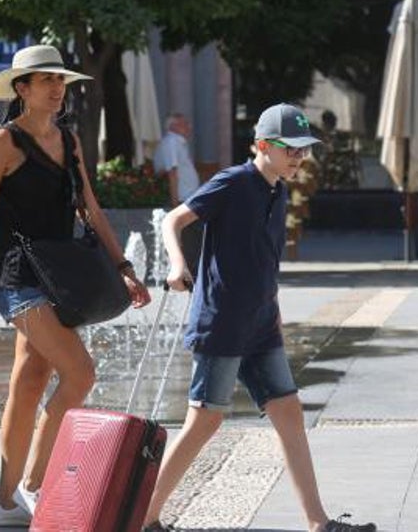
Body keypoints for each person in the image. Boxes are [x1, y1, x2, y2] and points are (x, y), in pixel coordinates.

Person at [142, 103, 376, 532]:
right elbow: (173, 220)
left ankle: (318, 522)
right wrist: (178, 266)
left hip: (261, 324)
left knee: (288, 412)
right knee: (206, 420)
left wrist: (274, 307)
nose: (300, 158)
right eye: (292, 150)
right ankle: (143, 515)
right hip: (223, 322)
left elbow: (263, 260)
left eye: (304, 150)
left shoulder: (278, 189)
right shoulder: (233, 182)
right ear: (264, 146)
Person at [0, 44, 152, 527]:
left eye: (60, 81)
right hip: (16, 278)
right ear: (21, 89)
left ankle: (5, 503)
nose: (56, 89)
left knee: (29, 384)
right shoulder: (2, 144)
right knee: (80, 373)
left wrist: (123, 266)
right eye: (46, 80)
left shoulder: (68, 140)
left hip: (60, 277)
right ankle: (35, 485)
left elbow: (89, 205)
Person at [153, 112, 202, 275]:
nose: (189, 127)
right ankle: (191, 272)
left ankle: (193, 271)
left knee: (193, 237)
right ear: (173, 126)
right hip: (182, 199)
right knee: (190, 238)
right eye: (184, 124)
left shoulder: (177, 143)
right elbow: (171, 172)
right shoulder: (172, 142)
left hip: (187, 198)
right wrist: (175, 203)